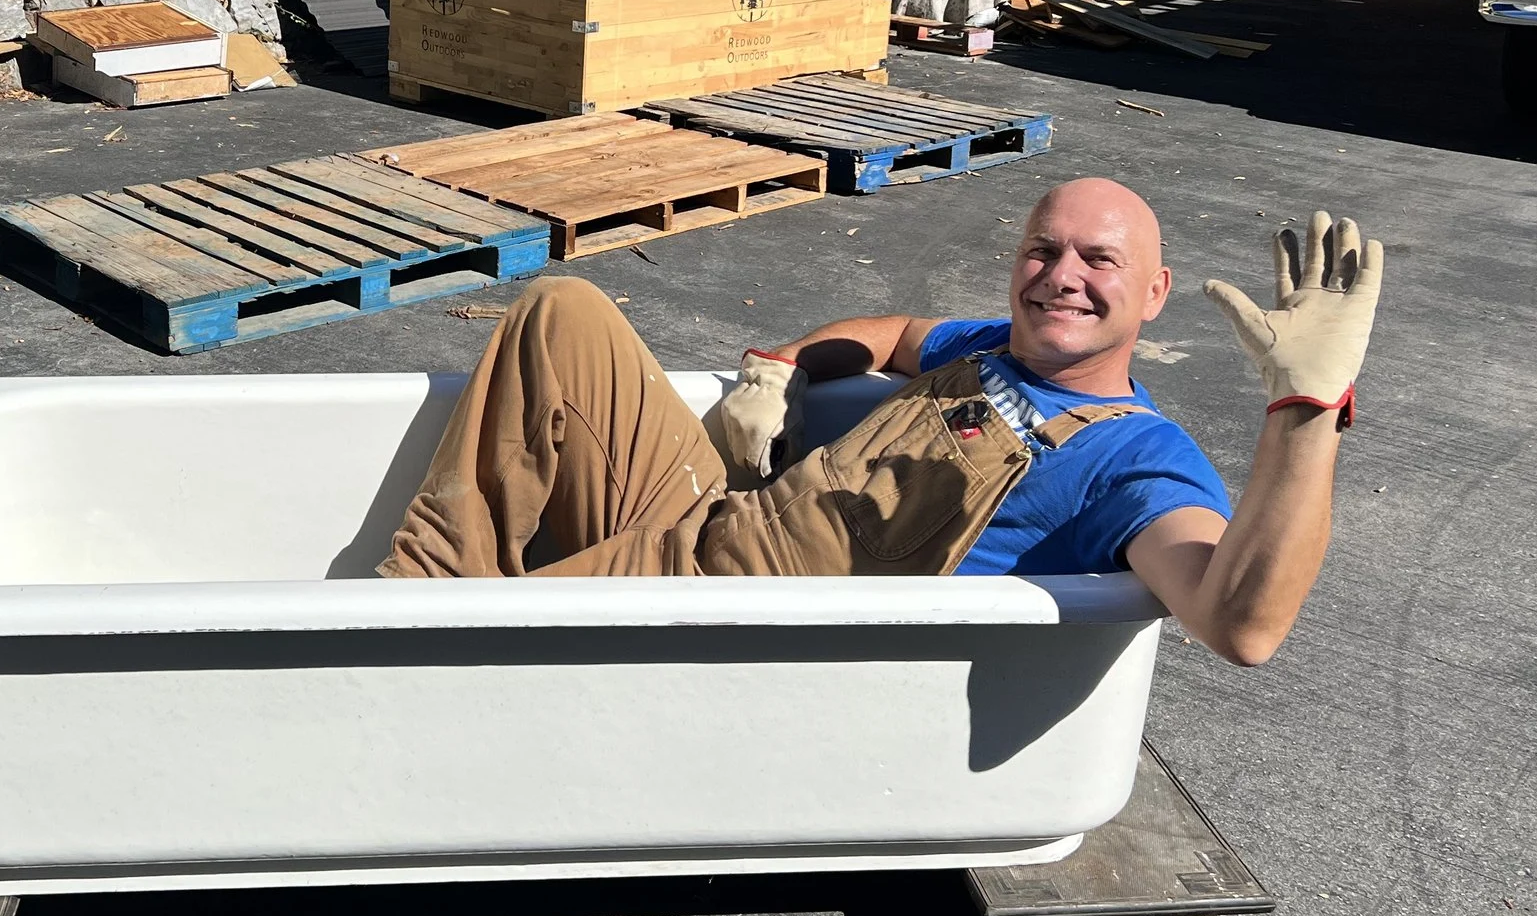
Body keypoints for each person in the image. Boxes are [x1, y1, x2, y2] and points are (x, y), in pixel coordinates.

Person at [378, 177, 1383, 665]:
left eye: (1097, 262)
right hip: (725, 522)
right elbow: (894, 333)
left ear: (1153, 293)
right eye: (1043, 250)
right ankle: (419, 594)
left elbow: (1240, 624)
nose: (1060, 277)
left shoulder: (1135, 458)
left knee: (476, 639)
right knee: (566, 310)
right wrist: (780, 369)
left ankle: (403, 646)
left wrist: (1305, 414)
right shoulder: (990, 347)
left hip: (757, 622)